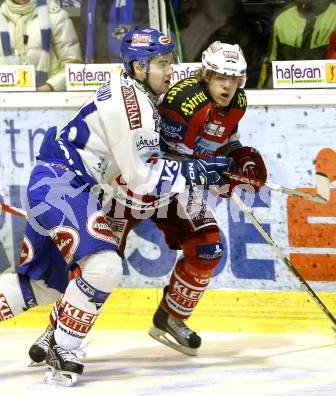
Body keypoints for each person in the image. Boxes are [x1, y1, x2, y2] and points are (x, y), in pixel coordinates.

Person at [0, 28, 235, 386]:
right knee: (103, 266)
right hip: (63, 185)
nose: (170, 70)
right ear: (138, 67)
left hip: (61, 185)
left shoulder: (137, 94)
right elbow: (143, 178)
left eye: (171, 62)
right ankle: (63, 347)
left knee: (47, 284)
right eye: (162, 63)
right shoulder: (134, 107)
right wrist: (195, 169)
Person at [27, 40, 268, 363]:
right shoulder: (185, 101)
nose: (228, 86)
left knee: (208, 246)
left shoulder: (237, 101)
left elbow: (224, 141)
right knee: (98, 260)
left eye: (235, 79)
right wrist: (216, 176)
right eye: (222, 78)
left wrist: (240, 157)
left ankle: (171, 317)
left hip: (177, 187)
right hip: (135, 187)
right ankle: (57, 330)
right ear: (206, 75)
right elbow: (161, 161)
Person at [0, 0, 82, 91]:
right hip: (6, 106)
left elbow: (73, 66)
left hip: (51, 105)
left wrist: (49, 87)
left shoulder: (56, 16)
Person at [258, 0, 336, 88]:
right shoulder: (284, 18)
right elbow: (271, 69)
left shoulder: (333, 16)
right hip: (289, 96)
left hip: (328, 96)